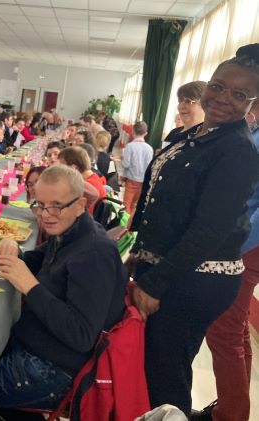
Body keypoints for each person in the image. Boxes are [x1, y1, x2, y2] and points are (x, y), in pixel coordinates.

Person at [127, 43, 259, 417]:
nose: (222, 98)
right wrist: (142, 248)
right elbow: (164, 197)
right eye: (217, 86)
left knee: (165, 376)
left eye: (239, 95)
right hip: (174, 268)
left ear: (252, 102)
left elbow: (209, 230)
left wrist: (156, 282)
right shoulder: (196, 135)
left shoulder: (236, 150)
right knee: (158, 366)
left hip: (195, 279)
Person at [0, 165, 126, 419]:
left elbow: (81, 335)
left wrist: (30, 286)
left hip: (53, 369)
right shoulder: (69, 233)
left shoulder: (93, 253)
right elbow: (39, 261)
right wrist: (15, 250)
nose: (46, 215)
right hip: (34, 346)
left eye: (56, 205)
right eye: (40, 204)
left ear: (80, 204)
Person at [196, 91, 259, 421]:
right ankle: (231, 408)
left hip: (246, 244)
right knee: (232, 330)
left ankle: (230, 415)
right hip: (243, 240)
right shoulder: (254, 126)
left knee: (222, 329)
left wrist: (234, 246)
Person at [120, 121, 153, 220]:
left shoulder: (130, 146)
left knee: (127, 204)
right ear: (146, 133)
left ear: (132, 132)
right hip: (143, 181)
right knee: (135, 205)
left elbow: (126, 164)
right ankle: (131, 226)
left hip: (131, 180)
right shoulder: (149, 148)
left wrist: (122, 158)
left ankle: (124, 226)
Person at [58, 146, 105, 214]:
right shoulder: (93, 176)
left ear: (74, 168)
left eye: (62, 166)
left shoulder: (86, 187)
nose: (60, 170)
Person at [162, 81, 207, 148]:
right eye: (180, 101)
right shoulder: (174, 132)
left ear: (206, 104)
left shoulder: (206, 138)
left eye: (188, 101)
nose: (181, 106)